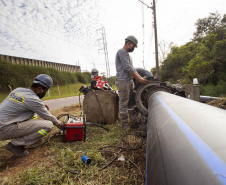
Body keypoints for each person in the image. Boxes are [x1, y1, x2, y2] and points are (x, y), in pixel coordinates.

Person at [0, 74, 62, 157]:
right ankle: (16, 145)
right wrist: (60, 124)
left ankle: (25, 137)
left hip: (3, 124)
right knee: (48, 125)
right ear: (40, 89)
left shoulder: (18, 90)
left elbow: (22, 102)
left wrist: (41, 104)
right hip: (3, 129)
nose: (45, 93)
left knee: (33, 116)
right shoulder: (33, 100)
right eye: (45, 91)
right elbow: (48, 117)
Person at [115, 35, 148, 129]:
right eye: (133, 46)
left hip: (129, 81)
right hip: (123, 82)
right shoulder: (121, 52)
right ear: (129, 44)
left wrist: (140, 77)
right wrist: (139, 79)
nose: (134, 48)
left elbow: (133, 69)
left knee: (131, 103)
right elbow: (128, 68)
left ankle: (133, 122)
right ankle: (125, 126)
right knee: (123, 104)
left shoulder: (128, 55)